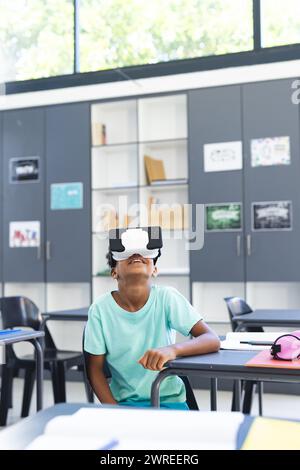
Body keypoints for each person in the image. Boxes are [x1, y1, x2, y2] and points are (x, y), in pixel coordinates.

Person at [84, 234, 220, 410]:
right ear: (114, 272)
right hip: (124, 405)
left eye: (143, 253)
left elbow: (211, 339)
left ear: (154, 269)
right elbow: (94, 371)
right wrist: (114, 412)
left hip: (170, 401)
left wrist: (173, 350)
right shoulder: (99, 309)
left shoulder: (167, 297)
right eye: (127, 254)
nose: (136, 255)